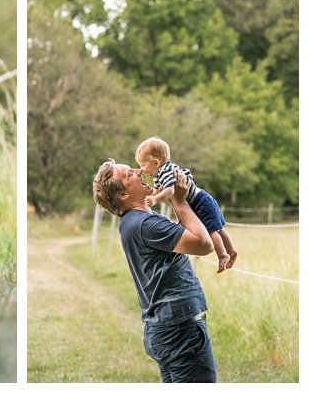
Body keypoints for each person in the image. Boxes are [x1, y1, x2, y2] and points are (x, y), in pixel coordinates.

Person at [92, 159, 217, 382]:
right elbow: (203, 244)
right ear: (123, 195)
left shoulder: (135, 221)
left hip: (165, 330)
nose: (139, 171)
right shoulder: (145, 224)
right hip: (180, 331)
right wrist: (178, 201)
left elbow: (187, 236)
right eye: (130, 174)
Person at [135, 137, 237, 273]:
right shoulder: (158, 174)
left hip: (200, 201)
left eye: (143, 166)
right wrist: (147, 197)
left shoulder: (166, 170)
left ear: (156, 162)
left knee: (212, 230)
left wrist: (155, 200)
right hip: (199, 199)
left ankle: (223, 254)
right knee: (218, 228)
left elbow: (170, 190)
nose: (142, 170)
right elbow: (158, 190)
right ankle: (231, 250)